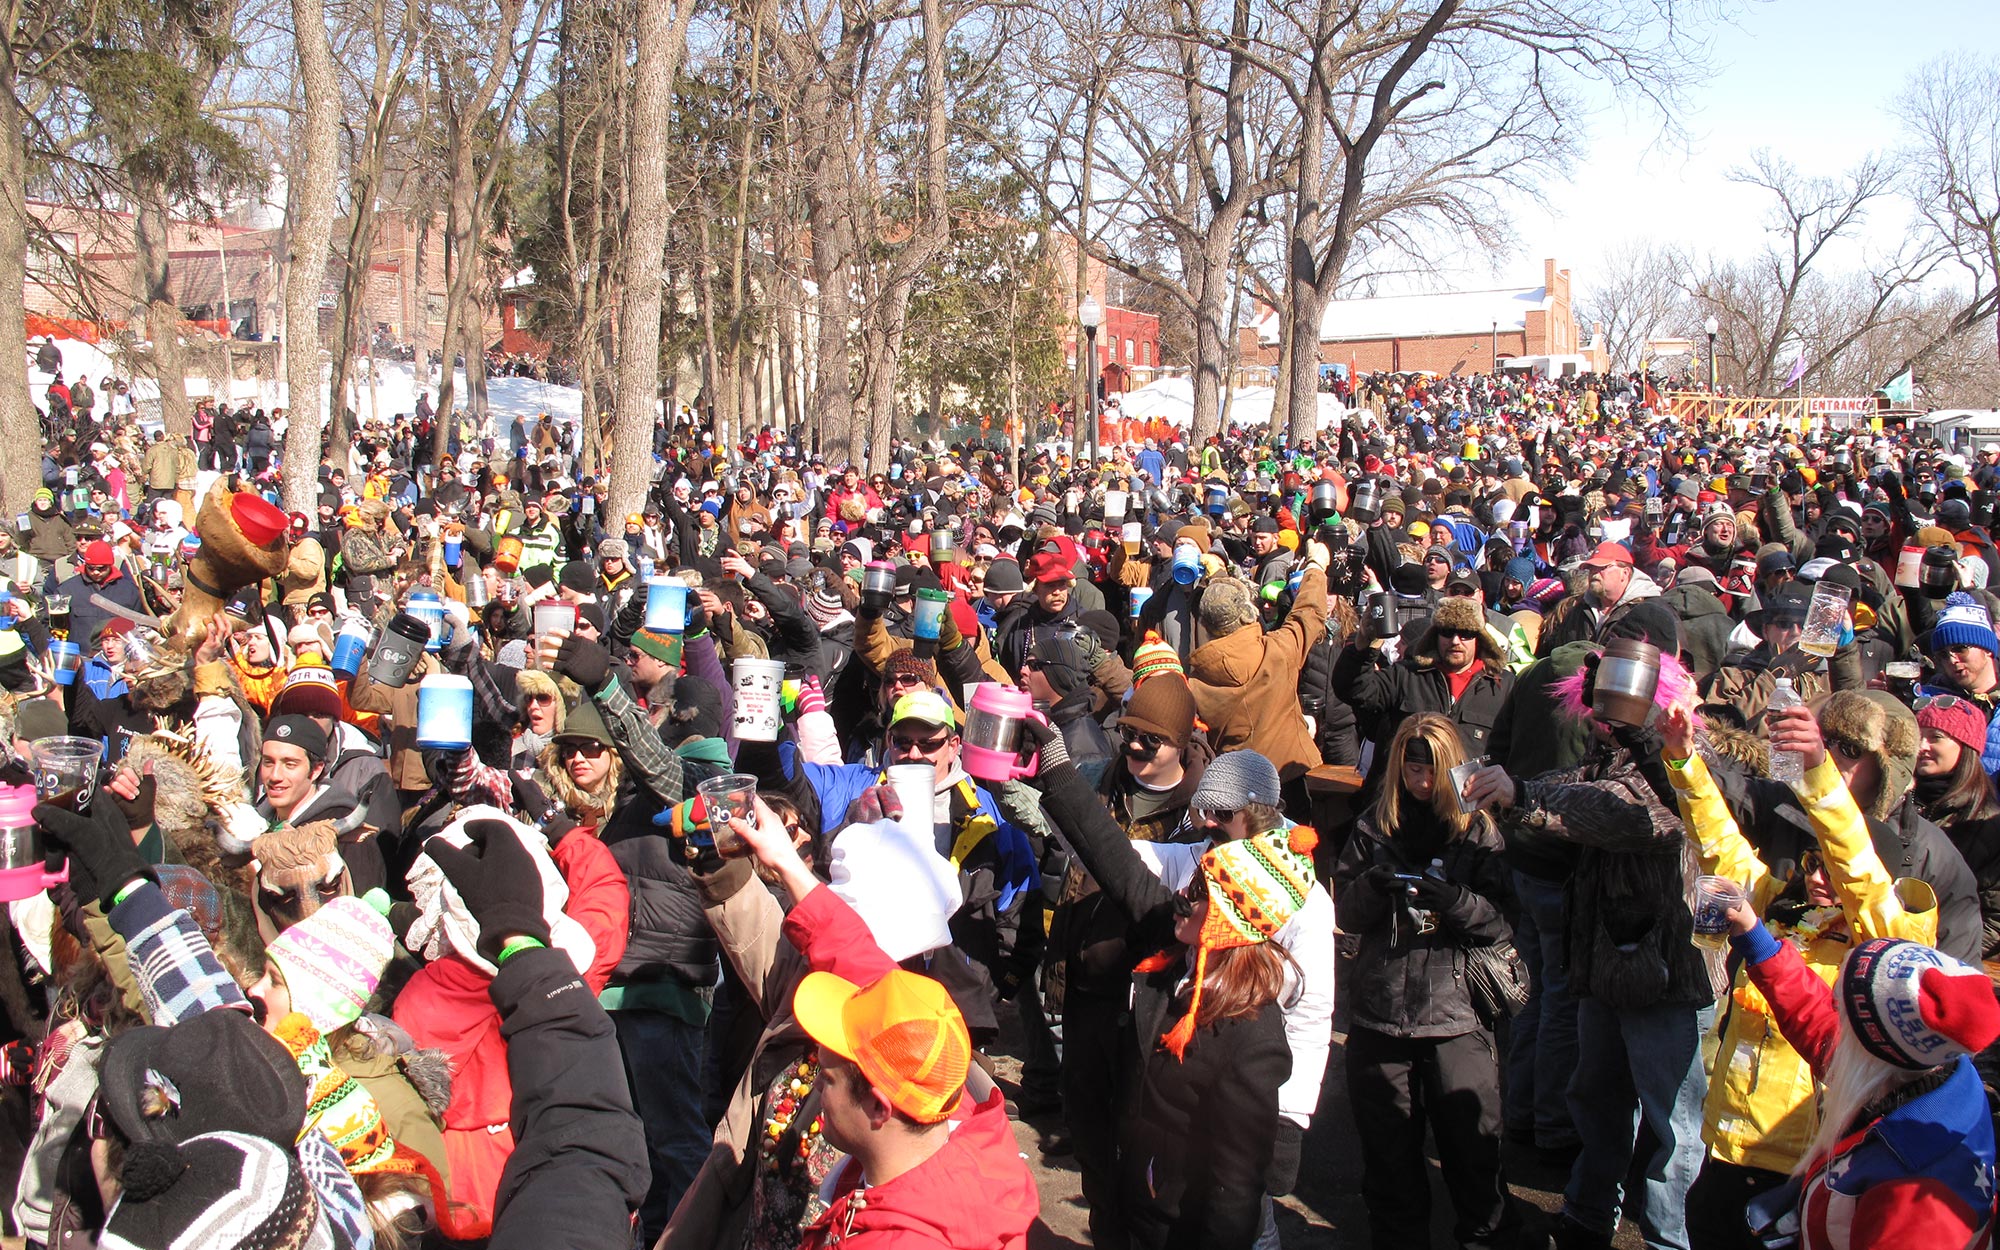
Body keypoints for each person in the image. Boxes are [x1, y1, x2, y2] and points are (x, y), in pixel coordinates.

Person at [1334, 713, 1523, 1249]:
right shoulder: (1374, 826)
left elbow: (1508, 924)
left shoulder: (1479, 828)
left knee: (1475, 1161)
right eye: (1413, 768)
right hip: (1380, 1014)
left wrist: (1458, 902)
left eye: (1432, 769)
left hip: (1457, 1017)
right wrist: (1375, 885)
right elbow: (1347, 912)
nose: (1421, 781)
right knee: (1390, 1169)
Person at [1722, 906, 2000, 1250]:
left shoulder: (1918, 1194)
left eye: (1841, 1008)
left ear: (1872, 1046)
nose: (1833, 1014)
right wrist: (1757, 940)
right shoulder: (1934, 1069)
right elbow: (1822, 1027)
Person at [1911, 694, 2000, 958]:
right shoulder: (1897, 802)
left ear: (1966, 746)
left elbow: (1994, 921)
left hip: (1950, 960)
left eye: (1935, 737)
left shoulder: (1984, 822)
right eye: (1918, 736)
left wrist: (1937, 959)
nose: (1921, 747)